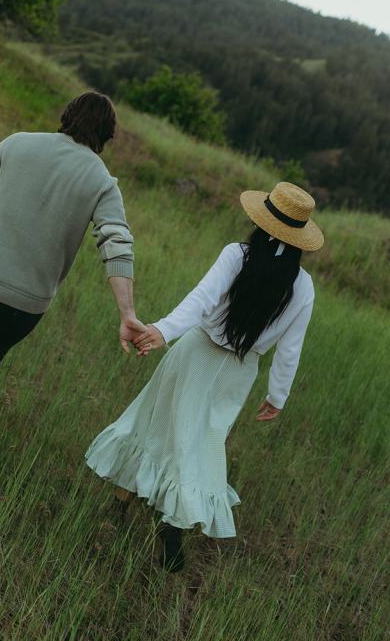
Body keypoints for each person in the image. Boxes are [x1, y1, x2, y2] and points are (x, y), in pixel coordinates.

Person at [0, 91, 143, 503]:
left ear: (67, 116)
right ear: (107, 133)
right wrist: (127, 313)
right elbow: (116, 243)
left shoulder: (19, 143)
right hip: (26, 305)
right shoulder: (102, 182)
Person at [85, 182, 323, 572]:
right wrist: (277, 395)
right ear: (300, 237)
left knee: (154, 424)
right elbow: (290, 349)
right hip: (238, 372)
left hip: (195, 353)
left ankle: (119, 508)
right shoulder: (302, 286)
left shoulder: (238, 255)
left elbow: (201, 299)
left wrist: (163, 330)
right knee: (199, 444)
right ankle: (171, 523)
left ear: (262, 221)